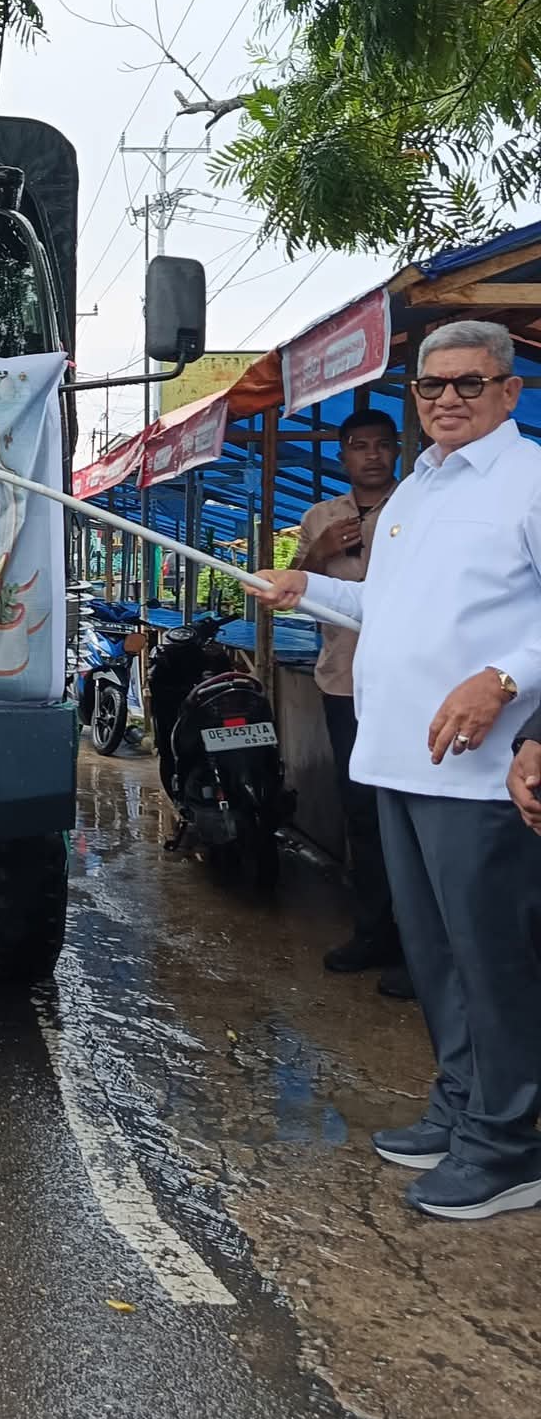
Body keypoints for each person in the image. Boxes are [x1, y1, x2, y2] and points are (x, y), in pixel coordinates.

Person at [258, 321, 541, 1221]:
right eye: (431, 386)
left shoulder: (529, 481)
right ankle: (460, 1108)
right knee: (435, 958)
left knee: (491, 960)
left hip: (478, 772)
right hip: (398, 761)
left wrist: (505, 679)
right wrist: (310, 588)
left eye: (468, 383)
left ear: (510, 392)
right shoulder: (417, 489)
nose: (447, 399)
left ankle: (509, 1145)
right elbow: (385, 605)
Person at [290, 409, 411, 998]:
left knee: (413, 813)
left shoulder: (419, 507)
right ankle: (372, 933)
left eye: (381, 445)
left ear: (397, 451)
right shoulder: (319, 517)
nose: (371, 456)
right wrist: (319, 552)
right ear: (342, 456)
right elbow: (292, 589)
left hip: (411, 685)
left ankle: (420, 947)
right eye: (359, 446)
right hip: (344, 683)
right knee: (361, 811)